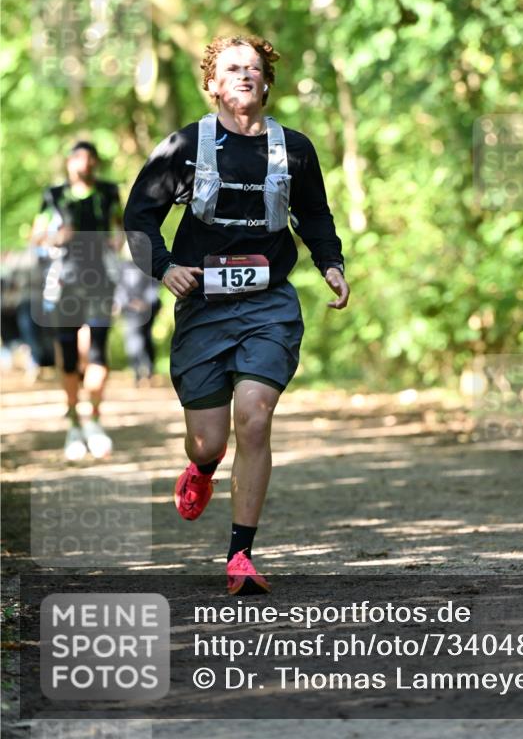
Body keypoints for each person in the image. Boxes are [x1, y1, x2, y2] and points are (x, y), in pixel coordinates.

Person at [124, 34, 349, 595]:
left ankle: (241, 554)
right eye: (232, 68)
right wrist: (165, 267)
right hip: (203, 305)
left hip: (269, 301)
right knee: (209, 441)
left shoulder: (294, 148)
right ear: (212, 84)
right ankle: (200, 469)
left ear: (266, 82)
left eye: (253, 67)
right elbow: (138, 218)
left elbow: (315, 215)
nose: (244, 75)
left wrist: (331, 264)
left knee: (255, 413)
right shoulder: (183, 147)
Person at [31, 141, 123, 461]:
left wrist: (117, 242)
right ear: (69, 162)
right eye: (77, 158)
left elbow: (120, 227)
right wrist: (58, 237)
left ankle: (94, 420)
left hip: (100, 281)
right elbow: (37, 235)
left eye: (89, 158)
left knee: (97, 352)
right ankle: (73, 422)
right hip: (65, 283)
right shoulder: (54, 195)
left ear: (96, 162)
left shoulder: (109, 192)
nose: (83, 164)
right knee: (69, 356)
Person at [115, 257, 161, 385]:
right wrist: (121, 303)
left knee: (146, 338)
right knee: (132, 340)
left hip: (147, 310)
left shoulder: (148, 264)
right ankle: (136, 374)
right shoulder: (123, 265)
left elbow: (154, 285)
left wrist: (146, 303)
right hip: (129, 309)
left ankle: (149, 371)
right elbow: (120, 287)